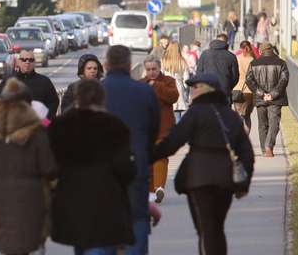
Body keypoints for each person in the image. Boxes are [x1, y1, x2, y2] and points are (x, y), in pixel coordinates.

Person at [152, 73, 255, 255]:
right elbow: (246, 152)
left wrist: (147, 157)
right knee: (217, 227)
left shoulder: (195, 113)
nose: (191, 91)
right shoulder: (230, 115)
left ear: (205, 90)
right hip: (225, 178)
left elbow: (173, 142)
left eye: (195, 87)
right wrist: (244, 182)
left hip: (198, 177)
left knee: (206, 228)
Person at [0, 78, 57, 255]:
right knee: (29, 244)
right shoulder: (36, 133)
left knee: (8, 245)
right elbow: (49, 168)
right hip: (32, 198)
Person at [49, 79, 135, 255]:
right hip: (107, 197)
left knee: (81, 244)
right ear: (102, 98)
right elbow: (126, 168)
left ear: (77, 98)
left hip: (71, 196)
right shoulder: (114, 126)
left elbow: (51, 166)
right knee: (100, 244)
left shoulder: (61, 125)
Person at [101, 45, 160, 255]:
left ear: (106, 64)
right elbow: (154, 129)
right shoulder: (144, 91)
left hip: (103, 170)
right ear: (129, 65)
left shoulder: (97, 91)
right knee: (137, 217)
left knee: (104, 222)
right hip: (136, 165)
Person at [141, 56, 179, 204]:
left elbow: (173, 97)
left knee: (161, 157)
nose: (151, 72)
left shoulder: (168, 81)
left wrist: (156, 85)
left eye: (154, 69)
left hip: (164, 126)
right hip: (145, 128)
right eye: (149, 69)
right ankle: (151, 192)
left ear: (159, 68)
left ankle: (159, 187)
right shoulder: (140, 84)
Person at [245, 43, 289, 157]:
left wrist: (261, 93)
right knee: (274, 122)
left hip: (260, 98)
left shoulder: (253, 63)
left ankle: (265, 149)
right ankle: (268, 146)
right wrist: (273, 94)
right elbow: (284, 80)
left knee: (262, 124)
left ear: (260, 51)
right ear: (272, 50)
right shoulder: (281, 63)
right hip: (276, 99)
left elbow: (249, 80)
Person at [0, 49, 60, 117]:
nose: (27, 62)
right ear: (18, 62)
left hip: (39, 125)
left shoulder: (44, 81)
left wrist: (46, 122)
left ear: (34, 63)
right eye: (24, 60)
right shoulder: (8, 81)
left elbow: (54, 103)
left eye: (30, 60)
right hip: (15, 125)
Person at [196, 34, 240, 105]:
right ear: (226, 42)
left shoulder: (205, 54)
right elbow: (235, 77)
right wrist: (228, 86)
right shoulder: (231, 56)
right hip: (224, 91)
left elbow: (199, 73)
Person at [234, 41, 257, 134]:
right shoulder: (253, 60)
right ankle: (245, 138)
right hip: (249, 91)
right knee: (247, 117)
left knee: (238, 116)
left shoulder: (236, 59)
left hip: (237, 89)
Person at [161, 41, 189, 119]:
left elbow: (161, 76)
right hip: (179, 88)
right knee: (181, 113)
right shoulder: (182, 61)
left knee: (172, 114)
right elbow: (186, 78)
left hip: (168, 88)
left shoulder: (164, 61)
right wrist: (185, 89)